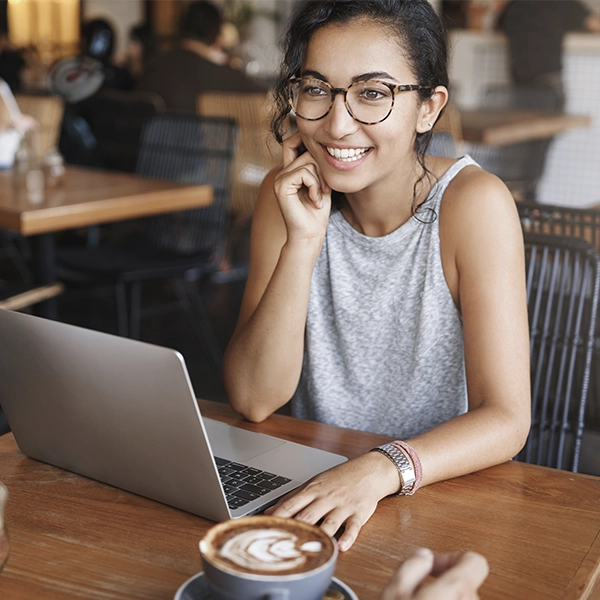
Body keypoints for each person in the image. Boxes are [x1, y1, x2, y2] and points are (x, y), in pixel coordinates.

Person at [223, 0, 531, 553]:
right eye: (316, 89)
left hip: (434, 492)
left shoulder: (473, 205)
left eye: (373, 93)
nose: (338, 124)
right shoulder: (288, 194)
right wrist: (305, 241)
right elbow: (253, 398)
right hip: (316, 492)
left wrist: (379, 468)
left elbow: (507, 419)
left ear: (428, 108)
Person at [136, 0, 262, 113]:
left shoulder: (153, 65)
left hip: (146, 138)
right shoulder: (221, 74)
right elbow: (262, 95)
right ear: (216, 32)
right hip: (198, 138)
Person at [499, 0, 600, 110]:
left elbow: (498, 25)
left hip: (520, 84)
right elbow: (595, 24)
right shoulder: (561, 3)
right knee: (549, 125)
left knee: (522, 125)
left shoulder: (515, 4)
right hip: (547, 84)